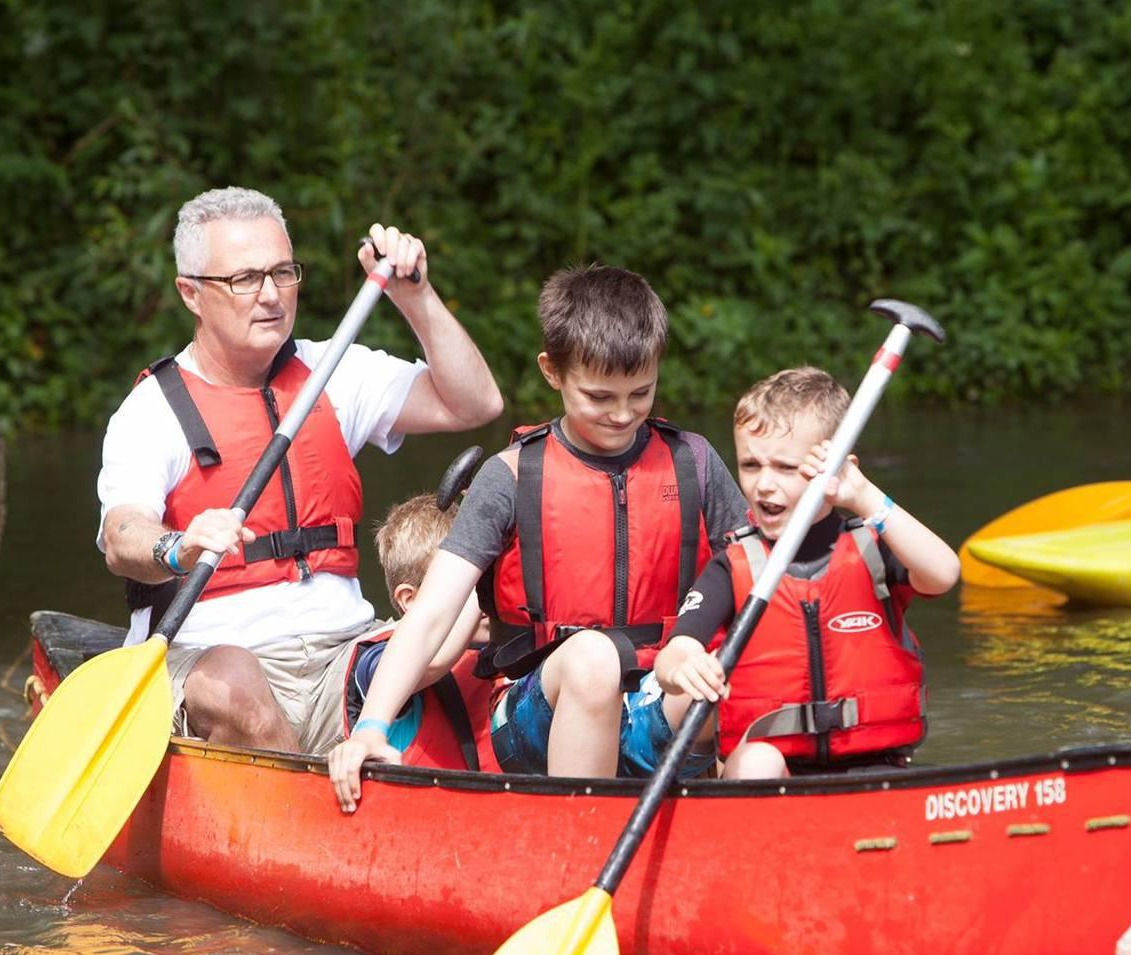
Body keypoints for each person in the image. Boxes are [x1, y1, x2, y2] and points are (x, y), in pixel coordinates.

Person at [97, 186, 502, 754]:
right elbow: (122, 537)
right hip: (211, 657)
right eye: (244, 279)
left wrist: (416, 296)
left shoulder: (331, 370)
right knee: (235, 688)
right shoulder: (152, 410)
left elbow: (475, 404)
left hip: (343, 649)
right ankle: (313, 806)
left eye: (283, 273)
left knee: (456, 637)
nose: (270, 296)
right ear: (190, 293)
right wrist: (178, 547)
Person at [327, 264, 748, 809]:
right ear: (552, 371)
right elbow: (431, 614)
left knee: (725, 671)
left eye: (640, 393)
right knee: (593, 657)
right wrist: (372, 727)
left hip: (654, 698)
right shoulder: (509, 478)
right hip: (536, 713)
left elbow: (756, 572)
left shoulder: (694, 462)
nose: (623, 415)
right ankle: (572, 843)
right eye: (599, 397)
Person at [652, 367, 961, 780]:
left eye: (785, 467)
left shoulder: (872, 549)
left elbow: (943, 573)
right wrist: (682, 667)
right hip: (775, 773)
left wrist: (866, 496)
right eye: (751, 464)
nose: (763, 484)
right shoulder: (734, 565)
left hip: (875, 766)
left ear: (837, 470)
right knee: (758, 762)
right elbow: (675, 650)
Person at [338, 493, 496, 771]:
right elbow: (431, 662)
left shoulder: (510, 649)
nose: (485, 593)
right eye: (464, 583)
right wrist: (480, 572)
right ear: (410, 600)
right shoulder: (376, 660)